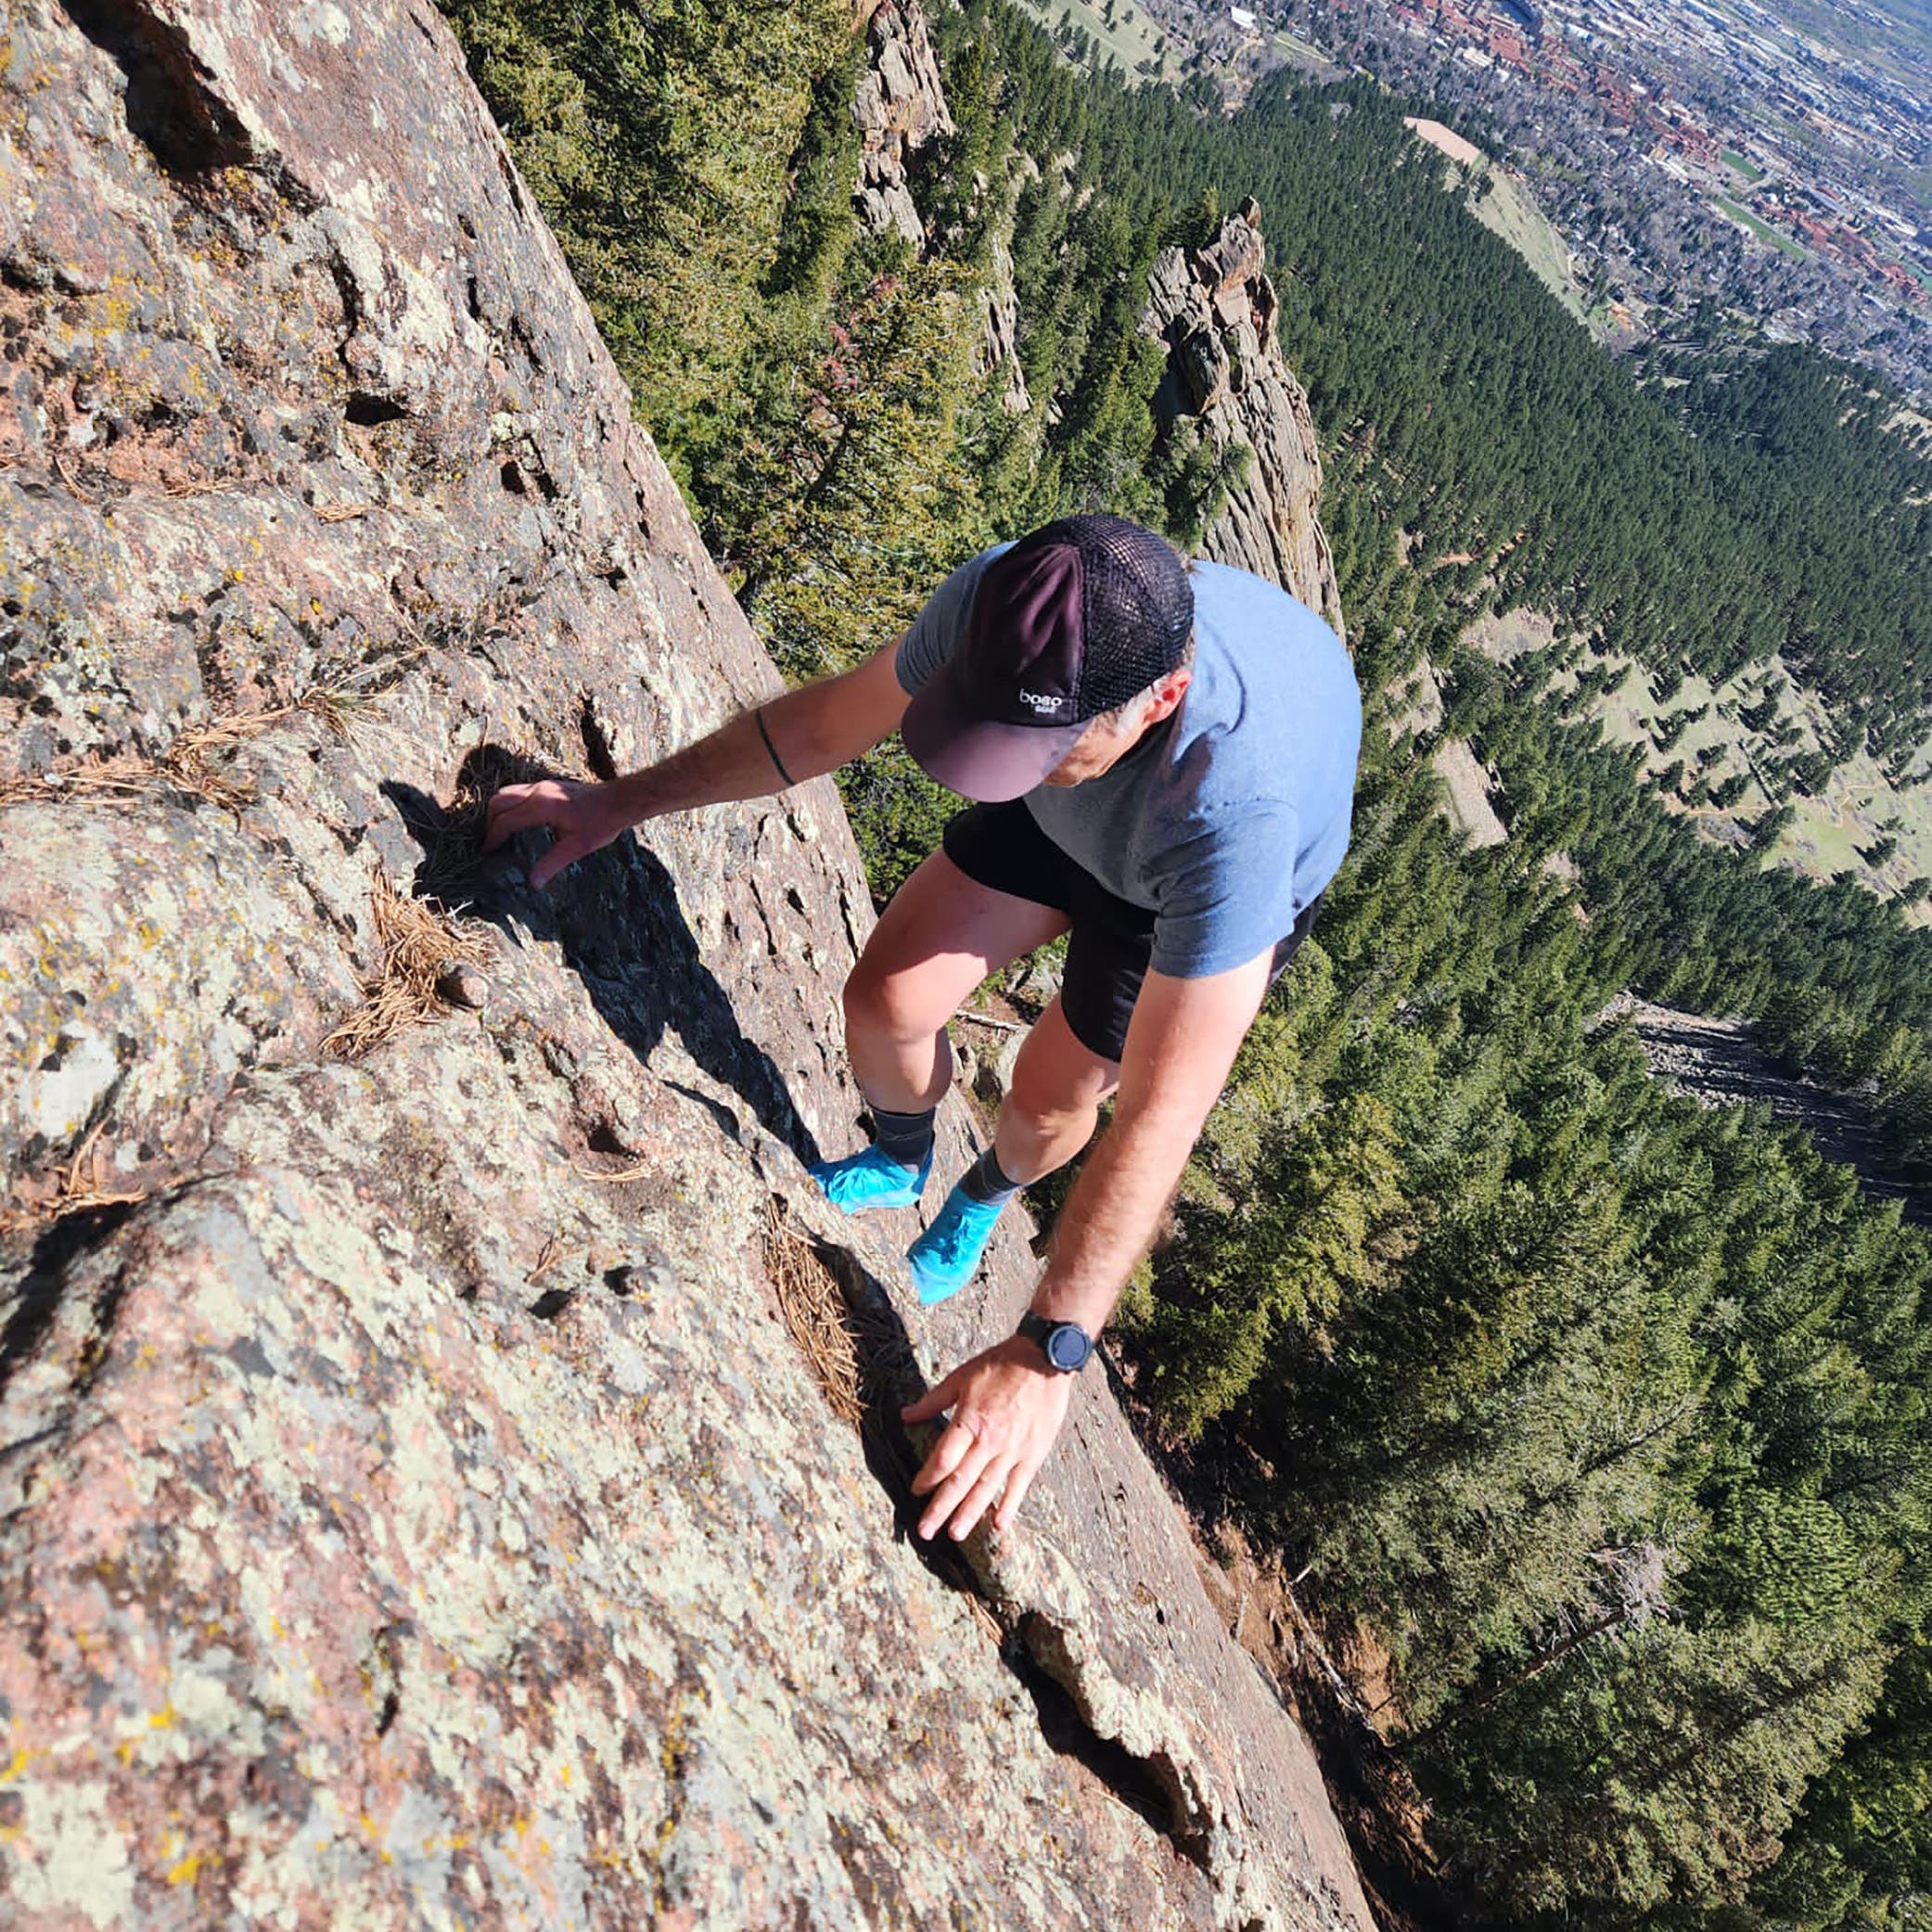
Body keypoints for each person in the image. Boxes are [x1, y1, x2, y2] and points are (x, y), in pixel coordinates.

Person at [483, 516, 1361, 1546]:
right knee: (885, 1004)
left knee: (1046, 1098)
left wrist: (1048, 1349)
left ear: (1160, 698)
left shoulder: (1236, 811)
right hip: (1076, 814)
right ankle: (905, 1158)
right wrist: (618, 804)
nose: (1014, 759)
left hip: (1172, 876)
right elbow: (815, 731)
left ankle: (985, 1192)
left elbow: (1165, 1117)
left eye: (1042, 743)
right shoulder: (1015, 611)